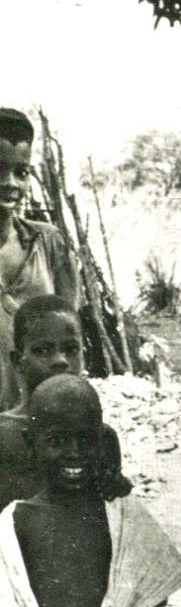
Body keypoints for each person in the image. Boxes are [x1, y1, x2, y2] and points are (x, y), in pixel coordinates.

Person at [0, 376, 181, 607]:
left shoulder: (119, 512)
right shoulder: (16, 521)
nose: (73, 452)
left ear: (101, 440)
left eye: (85, 439)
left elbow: (156, 584)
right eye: (57, 441)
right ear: (31, 442)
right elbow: (6, 605)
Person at [0, 295, 130, 511]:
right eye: (42, 350)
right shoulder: (3, 436)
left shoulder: (102, 437)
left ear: (84, 355)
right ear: (17, 361)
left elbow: (108, 514)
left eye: (71, 349)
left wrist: (116, 485)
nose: (60, 360)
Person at [0, 108, 79, 412]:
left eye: (20, 172)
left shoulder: (48, 243)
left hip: (42, 420)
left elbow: (71, 336)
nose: (10, 183)